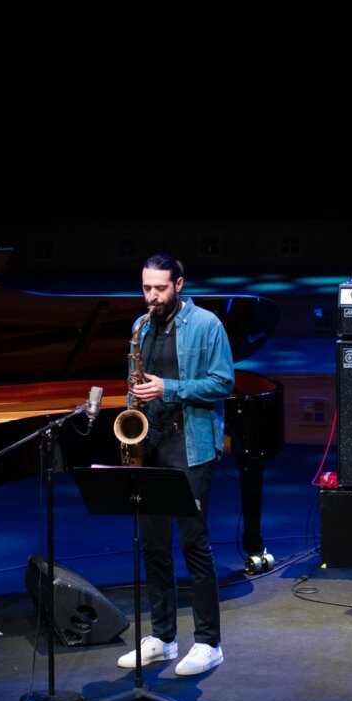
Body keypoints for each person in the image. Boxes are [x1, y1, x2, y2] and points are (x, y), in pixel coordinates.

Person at [118, 254, 235, 675]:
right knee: (153, 544)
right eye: (146, 288)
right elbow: (135, 383)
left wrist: (169, 387)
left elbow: (224, 382)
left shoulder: (207, 325)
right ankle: (163, 638)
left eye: (160, 288)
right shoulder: (140, 326)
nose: (151, 296)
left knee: (193, 544)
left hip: (190, 444)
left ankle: (208, 643)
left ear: (179, 285)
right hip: (150, 445)